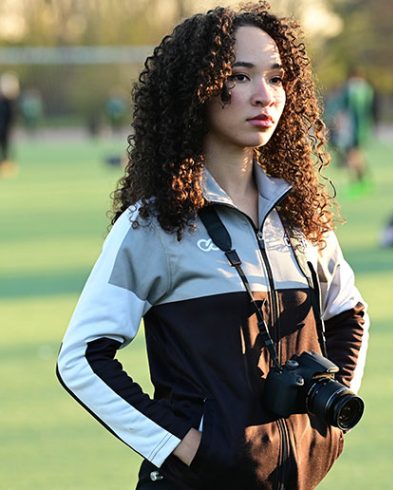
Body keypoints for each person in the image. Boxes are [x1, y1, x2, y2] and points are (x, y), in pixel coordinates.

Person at [55, 3, 369, 489]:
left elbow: (348, 312)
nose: (264, 95)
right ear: (196, 88)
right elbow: (81, 358)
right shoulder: (155, 224)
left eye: (276, 77)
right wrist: (186, 446)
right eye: (240, 77)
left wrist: (326, 424)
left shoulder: (301, 218)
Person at [336, 66, 376, 196]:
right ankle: (364, 182)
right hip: (363, 128)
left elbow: (344, 109)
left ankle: (356, 184)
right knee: (357, 156)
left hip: (352, 128)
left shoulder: (351, 89)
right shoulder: (367, 89)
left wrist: (339, 124)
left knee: (351, 157)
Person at [0, 72, 19, 178]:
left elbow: (11, 117)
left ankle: (5, 166)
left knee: (5, 148)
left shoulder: (8, 103)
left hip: (5, 130)